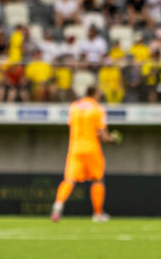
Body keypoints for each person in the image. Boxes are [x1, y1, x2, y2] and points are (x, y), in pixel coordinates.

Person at [50, 86, 120, 223]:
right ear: (95, 93)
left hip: (75, 149)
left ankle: (58, 206)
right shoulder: (97, 109)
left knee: (69, 180)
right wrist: (114, 139)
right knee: (98, 180)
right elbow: (104, 136)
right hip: (92, 149)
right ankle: (97, 214)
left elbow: (71, 124)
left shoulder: (74, 107)